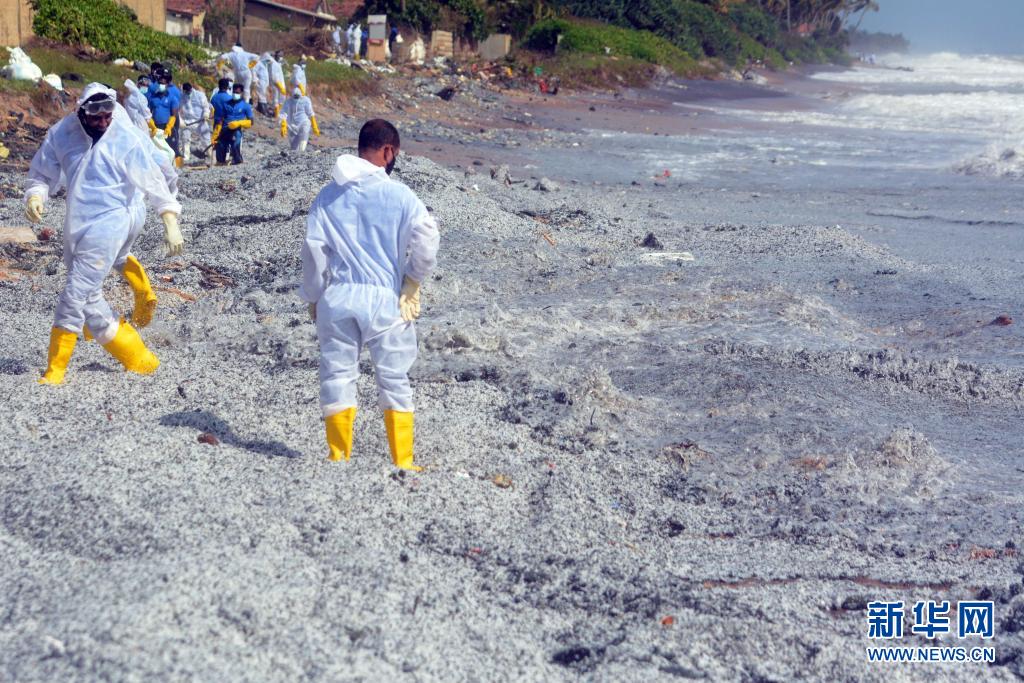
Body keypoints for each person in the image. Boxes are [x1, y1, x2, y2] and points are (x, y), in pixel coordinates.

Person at [300, 119, 440, 470]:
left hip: (338, 296)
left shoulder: (328, 195)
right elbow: (427, 240)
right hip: (384, 298)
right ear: (388, 151)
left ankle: (338, 456)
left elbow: (314, 251)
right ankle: (402, 460)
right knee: (393, 377)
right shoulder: (400, 195)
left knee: (336, 374)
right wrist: (412, 281)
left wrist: (314, 296)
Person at [24, 84, 183, 385]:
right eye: (95, 115)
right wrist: (36, 194)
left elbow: (154, 177)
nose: (102, 121)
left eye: (107, 114)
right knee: (90, 300)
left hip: (114, 219)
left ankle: (56, 369)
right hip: (79, 221)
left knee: (75, 294)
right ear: (81, 110)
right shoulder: (62, 133)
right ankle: (137, 356)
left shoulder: (125, 136)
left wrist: (169, 219)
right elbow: (43, 171)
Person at [147, 68, 182, 165]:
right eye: (160, 83)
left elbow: (174, 114)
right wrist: (152, 125)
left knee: (173, 146)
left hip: (168, 126)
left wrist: (169, 126)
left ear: (167, 85)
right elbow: (148, 112)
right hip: (156, 126)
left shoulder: (172, 97)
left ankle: (178, 166)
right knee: (158, 146)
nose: (161, 85)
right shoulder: (153, 98)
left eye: (163, 83)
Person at [215, 82, 253, 165]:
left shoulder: (246, 106)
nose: (235, 94)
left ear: (241, 93)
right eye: (234, 92)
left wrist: (239, 123)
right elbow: (220, 118)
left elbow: (251, 122)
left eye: (237, 93)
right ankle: (220, 162)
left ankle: (237, 161)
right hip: (225, 129)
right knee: (220, 144)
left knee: (236, 143)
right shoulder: (226, 104)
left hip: (236, 130)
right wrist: (217, 131)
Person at [280, 86, 320, 151]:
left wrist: (314, 126)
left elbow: (310, 113)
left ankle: (302, 151)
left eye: (297, 96)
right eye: (295, 96)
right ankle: (296, 154)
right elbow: (283, 113)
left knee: (304, 133)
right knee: (294, 148)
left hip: (303, 122)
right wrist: (283, 125)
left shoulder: (306, 100)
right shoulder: (288, 102)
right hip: (292, 125)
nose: (296, 98)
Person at [179, 82, 212, 162]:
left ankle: (210, 154)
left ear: (191, 89)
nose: (187, 92)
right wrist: (180, 120)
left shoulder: (200, 95)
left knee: (206, 139)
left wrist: (206, 114)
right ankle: (186, 156)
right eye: (185, 91)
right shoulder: (181, 97)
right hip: (188, 122)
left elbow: (206, 106)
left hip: (200, 121)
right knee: (185, 138)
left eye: (188, 91)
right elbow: (178, 110)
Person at [269, 51, 287, 118]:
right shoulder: (273, 64)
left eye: (282, 56)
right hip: (276, 85)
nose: (281, 57)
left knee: (281, 99)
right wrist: (280, 86)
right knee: (276, 99)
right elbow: (274, 77)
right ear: (276, 56)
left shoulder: (277, 64)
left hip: (281, 85)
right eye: (280, 56)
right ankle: (276, 115)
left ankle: (279, 113)